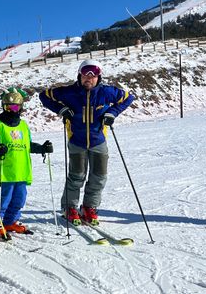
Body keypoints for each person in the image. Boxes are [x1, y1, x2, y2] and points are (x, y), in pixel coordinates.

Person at [39, 59, 134, 225]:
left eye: (93, 74)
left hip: (99, 141)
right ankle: (69, 208)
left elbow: (128, 98)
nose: (88, 78)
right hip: (77, 141)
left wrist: (112, 113)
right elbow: (44, 96)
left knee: (99, 177)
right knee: (77, 176)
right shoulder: (69, 92)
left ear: (98, 77)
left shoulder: (107, 92)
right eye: (85, 74)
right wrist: (61, 109)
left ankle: (89, 207)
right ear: (79, 75)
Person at [0, 88, 53, 237]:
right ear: (3, 106)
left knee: (19, 199)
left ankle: (10, 222)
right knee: (3, 200)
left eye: (15, 107)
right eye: (8, 106)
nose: (11, 110)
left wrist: (42, 148)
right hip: (7, 170)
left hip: (22, 170)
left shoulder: (23, 125)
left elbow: (28, 145)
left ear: (20, 108)